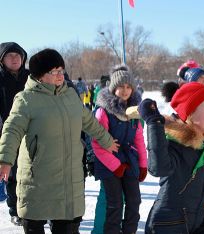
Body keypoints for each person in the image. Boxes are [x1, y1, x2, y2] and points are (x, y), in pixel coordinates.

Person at [0, 48, 118, 234]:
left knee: (67, 227)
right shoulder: (26, 99)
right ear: (39, 76)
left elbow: (88, 121)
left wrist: (106, 140)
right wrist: (5, 160)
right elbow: (12, 129)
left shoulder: (70, 95)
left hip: (68, 177)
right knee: (34, 223)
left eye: (61, 70)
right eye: (53, 72)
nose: (59, 75)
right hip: (38, 177)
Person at [139, 82, 204, 233]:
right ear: (190, 113)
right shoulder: (176, 144)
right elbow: (158, 168)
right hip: (168, 225)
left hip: (196, 223)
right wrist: (154, 124)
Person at [91, 65, 147, 234]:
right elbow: (97, 144)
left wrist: (143, 165)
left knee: (134, 201)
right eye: (121, 86)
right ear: (113, 88)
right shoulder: (103, 112)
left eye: (128, 87)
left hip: (129, 161)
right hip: (108, 164)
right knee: (114, 203)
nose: (125, 90)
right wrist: (116, 166)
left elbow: (139, 139)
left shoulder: (133, 112)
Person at [0, 42, 29, 226]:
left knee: (31, 172)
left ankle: (33, 208)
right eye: (10, 55)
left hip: (30, 130)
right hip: (7, 132)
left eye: (18, 55)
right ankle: (15, 210)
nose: (15, 58)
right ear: (2, 59)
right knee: (11, 173)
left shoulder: (30, 77)